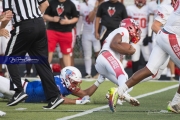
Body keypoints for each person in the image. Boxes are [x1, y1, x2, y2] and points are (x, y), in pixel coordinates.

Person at [116, 0, 180, 113]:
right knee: (150, 70)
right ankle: (175, 102)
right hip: (170, 36)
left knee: (150, 70)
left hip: (165, 35)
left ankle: (118, 91)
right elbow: (155, 25)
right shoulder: (166, 7)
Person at [2, 0, 64, 109]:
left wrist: (1, 28)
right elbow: (45, 4)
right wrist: (35, 19)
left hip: (24, 26)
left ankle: (18, 91)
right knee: (42, 62)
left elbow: (8, 15)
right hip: (40, 24)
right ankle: (55, 96)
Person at [95, 18, 141, 112]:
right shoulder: (123, 30)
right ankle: (119, 95)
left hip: (102, 61)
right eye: (136, 29)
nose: (136, 32)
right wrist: (129, 52)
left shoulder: (124, 38)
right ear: (130, 27)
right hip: (106, 54)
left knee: (128, 84)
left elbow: (118, 58)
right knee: (122, 75)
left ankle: (118, 96)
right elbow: (113, 44)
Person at [0, 66, 105, 104]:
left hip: (24, 96)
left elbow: (85, 93)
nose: (75, 85)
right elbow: (58, 99)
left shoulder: (66, 84)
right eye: (74, 82)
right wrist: (77, 102)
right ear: (67, 79)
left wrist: (98, 81)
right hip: (21, 89)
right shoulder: (57, 84)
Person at [43, 0, 79, 67]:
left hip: (66, 31)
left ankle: (68, 72)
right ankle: (44, 71)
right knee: (49, 51)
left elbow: (76, 17)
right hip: (52, 30)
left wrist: (68, 21)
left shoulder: (70, 4)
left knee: (66, 53)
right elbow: (44, 16)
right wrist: (52, 19)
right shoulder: (51, 3)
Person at [126, 0, 151, 74]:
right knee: (135, 57)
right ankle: (134, 75)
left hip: (145, 36)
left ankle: (149, 75)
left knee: (148, 56)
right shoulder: (130, 8)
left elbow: (150, 21)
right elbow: (127, 23)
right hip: (135, 37)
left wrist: (148, 36)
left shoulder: (148, 8)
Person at [78, 0, 101, 78]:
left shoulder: (98, 3)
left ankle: (100, 72)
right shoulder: (81, 6)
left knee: (98, 53)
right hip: (86, 32)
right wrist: (78, 32)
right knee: (87, 55)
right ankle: (88, 73)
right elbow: (80, 19)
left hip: (96, 32)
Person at [0, 0, 12, 77]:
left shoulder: (8, 2)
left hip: (6, 28)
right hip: (2, 27)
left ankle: (9, 71)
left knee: (6, 51)